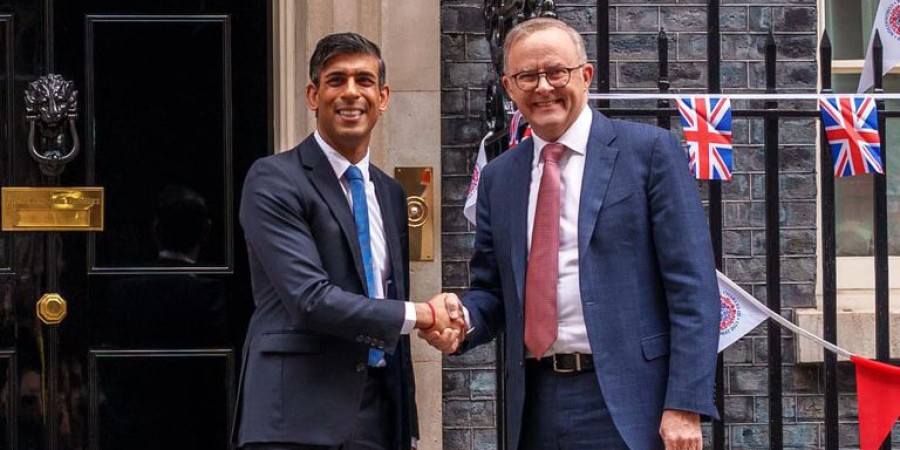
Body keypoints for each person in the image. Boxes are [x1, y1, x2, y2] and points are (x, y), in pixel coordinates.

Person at [425, 18, 720, 450]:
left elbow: (694, 288)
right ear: (510, 87)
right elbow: (493, 290)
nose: (543, 87)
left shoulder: (650, 153)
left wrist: (685, 404)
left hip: (632, 401)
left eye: (556, 72)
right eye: (527, 76)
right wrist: (461, 319)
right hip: (536, 401)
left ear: (585, 76)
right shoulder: (499, 177)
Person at [231, 32, 460, 450]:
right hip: (296, 416)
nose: (351, 93)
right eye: (336, 80)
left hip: (377, 413)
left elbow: (382, 291)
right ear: (312, 95)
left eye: (364, 80)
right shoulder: (273, 179)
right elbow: (310, 299)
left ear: (384, 96)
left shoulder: (390, 193)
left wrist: (403, 422)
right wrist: (424, 314)